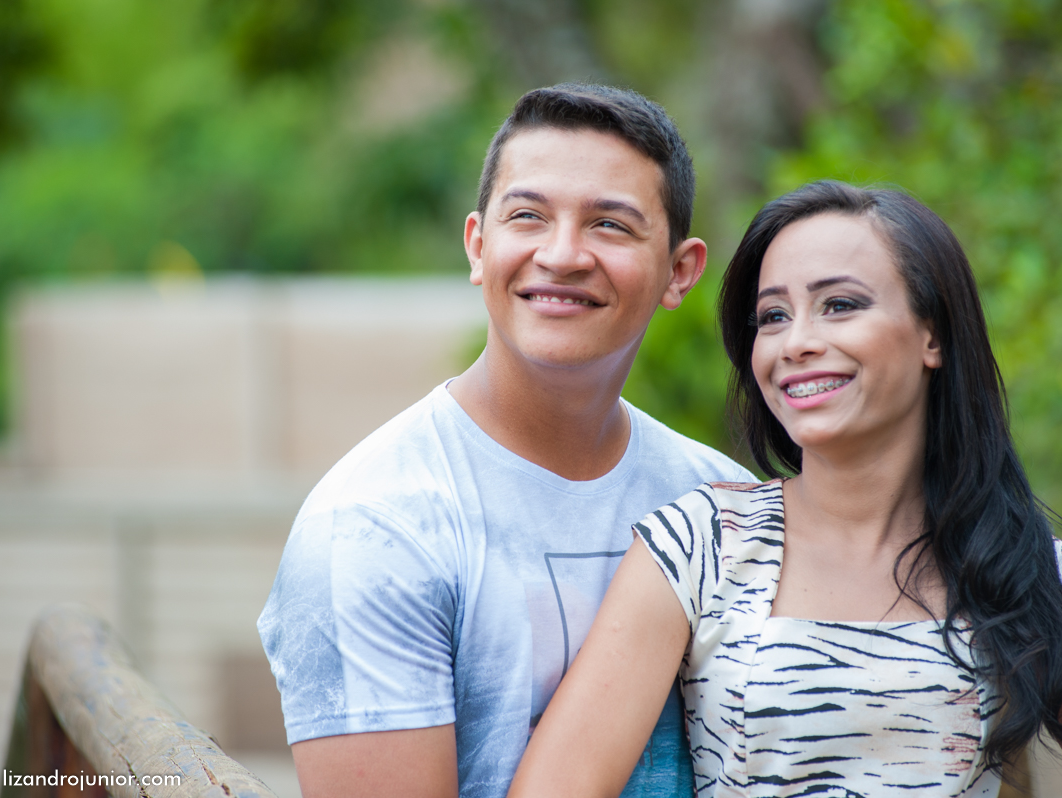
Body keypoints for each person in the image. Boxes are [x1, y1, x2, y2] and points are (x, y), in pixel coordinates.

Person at [507, 181, 1062, 797]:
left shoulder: (1022, 566)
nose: (796, 342)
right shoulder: (702, 543)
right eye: (772, 317)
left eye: (840, 305)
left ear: (933, 334)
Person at [256, 83, 755, 798]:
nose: (561, 254)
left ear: (680, 271)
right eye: (528, 216)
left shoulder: (723, 502)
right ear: (478, 245)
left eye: (610, 225)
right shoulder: (376, 526)